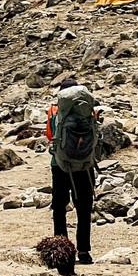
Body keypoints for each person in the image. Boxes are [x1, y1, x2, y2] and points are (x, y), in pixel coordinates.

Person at [45, 77, 100, 264]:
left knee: (59, 208)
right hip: (85, 165)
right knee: (84, 209)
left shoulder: (54, 111)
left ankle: (62, 251)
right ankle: (84, 252)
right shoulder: (89, 113)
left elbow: (50, 136)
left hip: (60, 165)